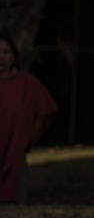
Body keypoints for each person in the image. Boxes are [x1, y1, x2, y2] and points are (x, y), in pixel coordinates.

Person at [0, 33, 58, 204]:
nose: (1, 57)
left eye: (6, 52)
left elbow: (46, 111)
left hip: (14, 148)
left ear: (14, 56)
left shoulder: (28, 84)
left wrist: (29, 138)